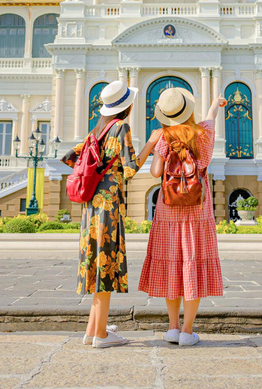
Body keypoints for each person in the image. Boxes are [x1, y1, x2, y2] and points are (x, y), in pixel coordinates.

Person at [62, 80, 161, 348]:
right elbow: (130, 169)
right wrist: (151, 143)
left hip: (91, 205)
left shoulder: (96, 130)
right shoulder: (120, 127)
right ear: (127, 107)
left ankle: (93, 329)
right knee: (105, 264)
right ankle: (102, 336)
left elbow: (70, 158)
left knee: (95, 262)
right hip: (109, 205)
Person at [138, 87, 226, 346]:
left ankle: (173, 328)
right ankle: (188, 331)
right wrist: (215, 103)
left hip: (168, 210)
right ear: (188, 110)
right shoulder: (204, 133)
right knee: (192, 265)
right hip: (198, 209)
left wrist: (156, 149)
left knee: (171, 264)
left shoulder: (164, 137)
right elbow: (211, 117)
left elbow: (155, 173)